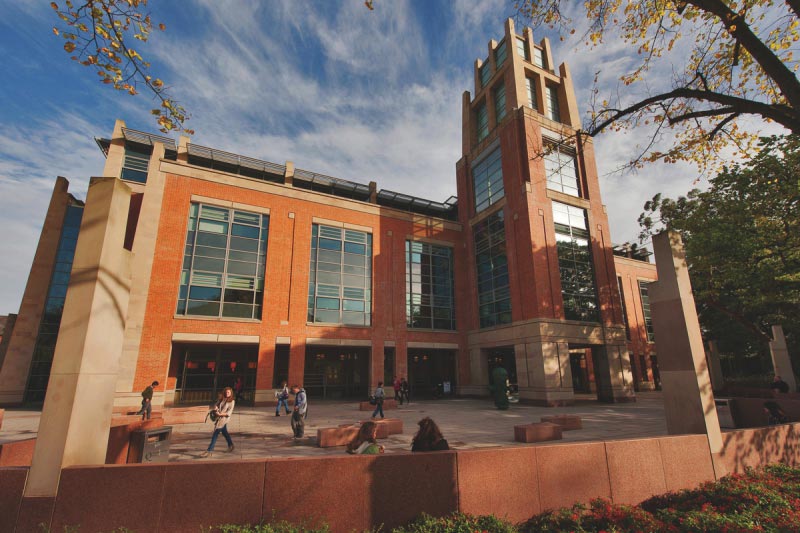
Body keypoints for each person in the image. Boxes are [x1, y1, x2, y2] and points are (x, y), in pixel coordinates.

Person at [200, 387, 235, 457]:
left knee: (215, 434)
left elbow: (229, 413)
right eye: (226, 392)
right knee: (225, 433)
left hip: (224, 419)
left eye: (228, 392)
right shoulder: (222, 398)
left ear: (231, 393)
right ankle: (231, 445)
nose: (227, 393)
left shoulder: (232, 401)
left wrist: (220, 414)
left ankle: (209, 450)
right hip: (219, 418)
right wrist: (216, 407)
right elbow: (216, 404)